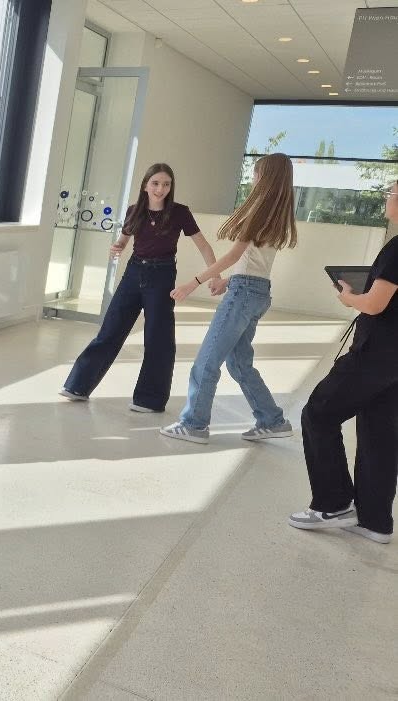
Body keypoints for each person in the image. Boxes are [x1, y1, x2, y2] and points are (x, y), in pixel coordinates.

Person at [159, 153, 298, 444]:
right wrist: (226, 282)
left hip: (244, 294)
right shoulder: (277, 213)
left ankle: (194, 424)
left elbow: (234, 255)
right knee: (239, 364)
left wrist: (193, 283)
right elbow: (254, 263)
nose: (253, 178)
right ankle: (272, 420)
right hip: (257, 292)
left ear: (265, 177)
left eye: (256, 173)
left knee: (206, 362)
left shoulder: (259, 211)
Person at [289, 180, 398, 544]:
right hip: (393, 362)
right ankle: (375, 521)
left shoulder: (396, 248)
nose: (387, 199)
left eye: (391, 192)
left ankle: (334, 503)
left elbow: (375, 304)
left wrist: (350, 297)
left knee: (318, 412)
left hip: (374, 353)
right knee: (379, 433)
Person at [61, 163, 217, 412]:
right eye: (155, 183)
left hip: (162, 275)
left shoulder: (179, 212)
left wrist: (215, 276)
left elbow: (204, 246)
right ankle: (78, 386)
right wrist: (117, 247)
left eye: (166, 184)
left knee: (158, 337)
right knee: (111, 328)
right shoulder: (134, 211)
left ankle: (150, 400)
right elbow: (123, 240)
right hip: (133, 273)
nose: (160, 189)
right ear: (145, 185)